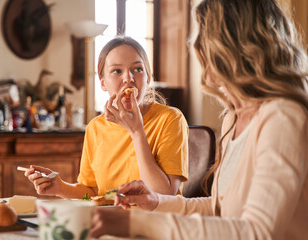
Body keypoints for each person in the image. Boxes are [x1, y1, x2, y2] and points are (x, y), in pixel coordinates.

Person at [90, 0, 308, 239]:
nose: (199, 48)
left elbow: (256, 232)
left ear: (235, 46)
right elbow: (219, 208)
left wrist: (140, 224)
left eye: (206, 35)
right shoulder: (233, 117)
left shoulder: (283, 117)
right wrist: (156, 203)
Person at [23, 36, 189, 199]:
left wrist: (137, 131)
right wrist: (60, 187)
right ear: (102, 82)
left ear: (148, 77)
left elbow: (164, 194)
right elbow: (93, 192)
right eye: (117, 71)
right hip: (110, 221)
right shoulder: (95, 127)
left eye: (137, 69)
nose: (128, 79)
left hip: (155, 222)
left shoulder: (170, 119)